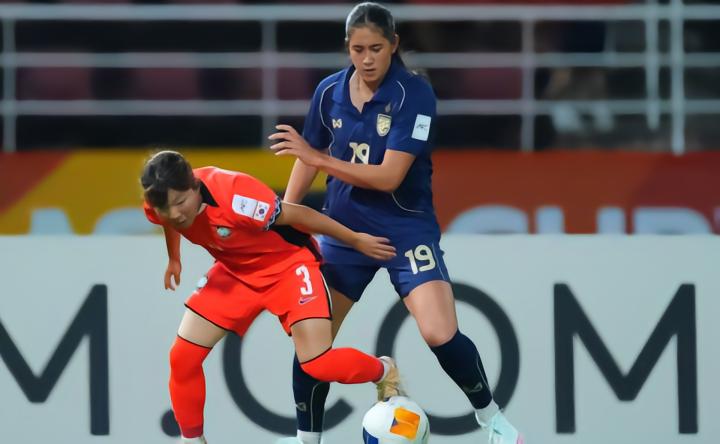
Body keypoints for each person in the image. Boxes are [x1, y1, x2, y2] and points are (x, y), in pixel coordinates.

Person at [268, 3, 524, 444]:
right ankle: (307, 440)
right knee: (313, 344)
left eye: (376, 49)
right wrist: (286, 214)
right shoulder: (328, 92)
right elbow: (308, 157)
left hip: (405, 228)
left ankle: (493, 420)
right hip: (345, 232)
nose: (367, 59)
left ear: (394, 45)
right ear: (347, 48)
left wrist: (318, 158)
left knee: (439, 332)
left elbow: (389, 176)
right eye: (358, 49)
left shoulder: (414, 95)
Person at [140, 150, 402, 444]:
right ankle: (192, 441)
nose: (176, 214)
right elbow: (169, 221)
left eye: (180, 203)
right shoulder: (159, 202)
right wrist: (174, 258)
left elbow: (301, 215)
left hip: (288, 267)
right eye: (166, 208)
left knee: (317, 364)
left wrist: (355, 239)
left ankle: (383, 370)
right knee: (182, 358)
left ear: (194, 185)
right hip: (235, 272)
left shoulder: (238, 197)